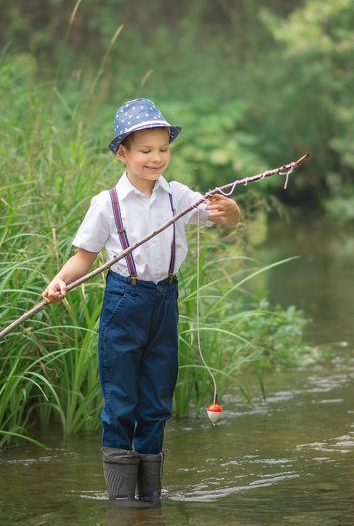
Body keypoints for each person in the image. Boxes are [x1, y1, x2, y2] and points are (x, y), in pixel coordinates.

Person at [42, 98, 240, 503]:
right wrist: (59, 281)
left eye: (163, 149)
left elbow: (224, 219)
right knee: (121, 399)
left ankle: (150, 499)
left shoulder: (179, 197)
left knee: (156, 397)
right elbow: (84, 257)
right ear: (123, 153)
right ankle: (120, 502)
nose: (157, 158)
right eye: (146, 151)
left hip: (165, 300)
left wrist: (232, 209)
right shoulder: (106, 204)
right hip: (123, 301)